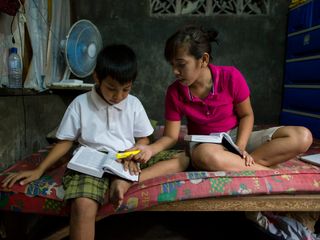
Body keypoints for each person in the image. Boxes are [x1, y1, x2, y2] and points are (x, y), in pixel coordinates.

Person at [1, 44, 189, 240]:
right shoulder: (80, 104)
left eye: (126, 89)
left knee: (182, 159)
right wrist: (40, 170)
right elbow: (65, 142)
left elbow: (143, 138)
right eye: (111, 89)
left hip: (125, 159)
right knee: (83, 204)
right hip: (90, 163)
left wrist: (139, 150)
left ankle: (124, 181)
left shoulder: (133, 104)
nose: (119, 96)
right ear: (97, 78)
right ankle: (122, 182)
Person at [133, 25, 313, 172]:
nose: (175, 71)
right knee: (205, 156)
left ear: (203, 60)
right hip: (206, 145)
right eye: (172, 65)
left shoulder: (231, 77)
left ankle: (238, 165)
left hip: (235, 137)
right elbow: (171, 137)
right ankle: (266, 173)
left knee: (302, 136)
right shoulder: (175, 92)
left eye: (181, 65)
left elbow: (246, 115)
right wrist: (150, 149)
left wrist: (240, 147)